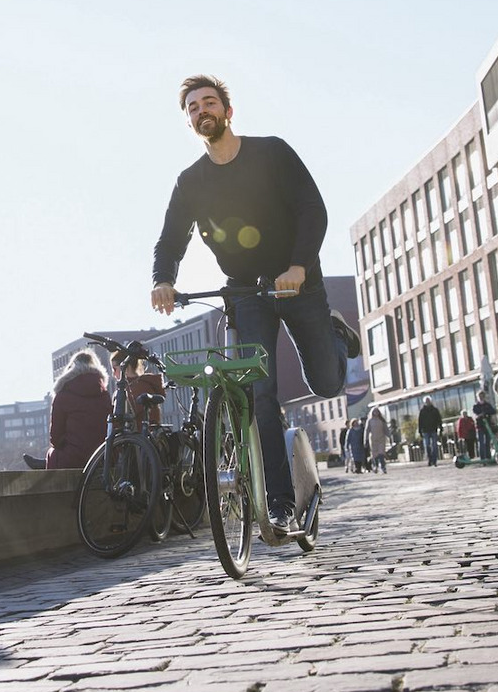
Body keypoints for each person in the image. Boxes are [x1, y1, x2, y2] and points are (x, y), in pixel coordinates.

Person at [152, 75, 360, 530]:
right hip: (245, 290)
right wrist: (163, 280)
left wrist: (299, 266)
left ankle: (335, 333)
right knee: (258, 395)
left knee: (325, 382)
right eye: (192, 107)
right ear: (188, 121)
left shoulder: (271, 152)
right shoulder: (191, 182)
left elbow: (312, 209)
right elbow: (170, 240)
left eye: (209, 102)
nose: (201, 110)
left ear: (228, 111)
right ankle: (281, 503)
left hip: (297, 281)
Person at [47, 349, 110, 470]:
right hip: (102, 458)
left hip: (73, 459)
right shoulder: (104, 395)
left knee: (52, 454)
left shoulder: (63, 394)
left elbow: (55, 437)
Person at [471, 389, 498, 464]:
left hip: (487, 425)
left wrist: (486, 413)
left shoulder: (487, 405)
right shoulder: (476, 406)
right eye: (479, 396)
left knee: (487, 442)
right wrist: (479, 415)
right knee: (481, 442)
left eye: (482, 396)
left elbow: (493, 411)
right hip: (480, 426)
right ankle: (482, 458)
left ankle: (488, 457)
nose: (481, 397)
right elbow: (475, 414)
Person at [418, 397, 443, 467]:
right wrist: (420, 431)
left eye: (428, 401)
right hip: (426, 431)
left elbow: (439, 420)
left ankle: (434, 460)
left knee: (434, 446)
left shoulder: (435, 410)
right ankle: (430, 459)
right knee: (427, 446)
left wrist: (441, 429)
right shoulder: (422, 411)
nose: (427, 402)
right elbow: (420, 421)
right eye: (426, 401)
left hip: (433, 430)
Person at [366, 405, 390, 473]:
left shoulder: (381, 420)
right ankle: (375, 466)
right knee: (375, 454)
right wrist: (366, 439)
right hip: (373, 439)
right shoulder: (370, 421)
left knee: (381, 453)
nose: (376, 413)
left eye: (377, 411)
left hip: (381, 439)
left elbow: (386, 429)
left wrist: (389, 435)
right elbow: (367, 430)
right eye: (374, 411)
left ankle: (383, 467)